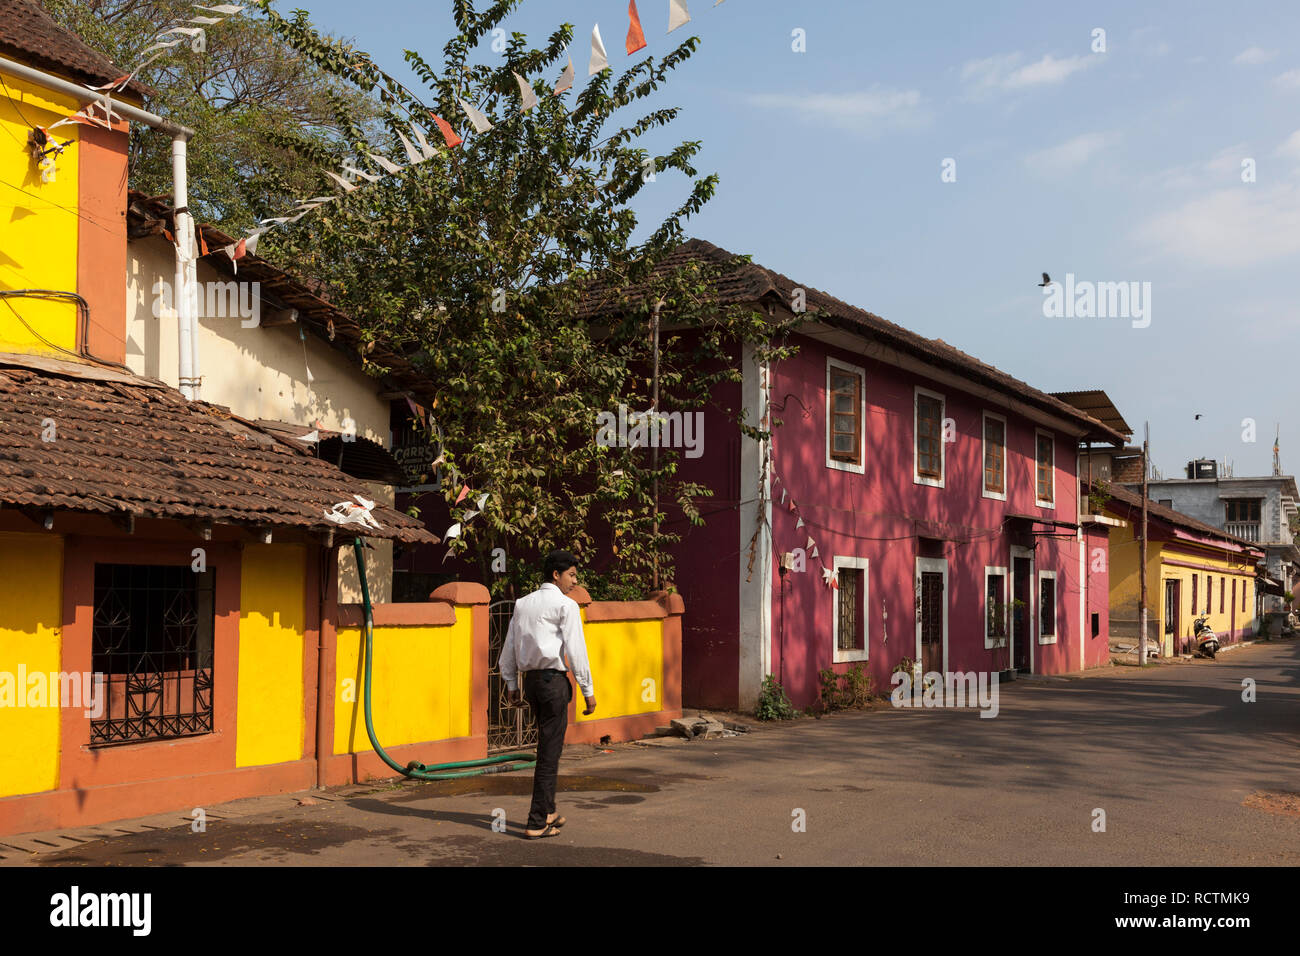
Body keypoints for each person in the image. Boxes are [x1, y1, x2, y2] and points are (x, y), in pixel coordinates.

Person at [500, 549, 597, 838]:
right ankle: (536, 821)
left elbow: (510, 648)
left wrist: (512, 685)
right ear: (556, 574)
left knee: (547, 746)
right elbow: (576, 650)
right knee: (548, 752)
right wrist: (588, 690)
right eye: (571, 575)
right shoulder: (565, 606)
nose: (574, 582)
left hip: (531, 682)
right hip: (553, 682)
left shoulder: (522, 604)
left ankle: (549, 810)